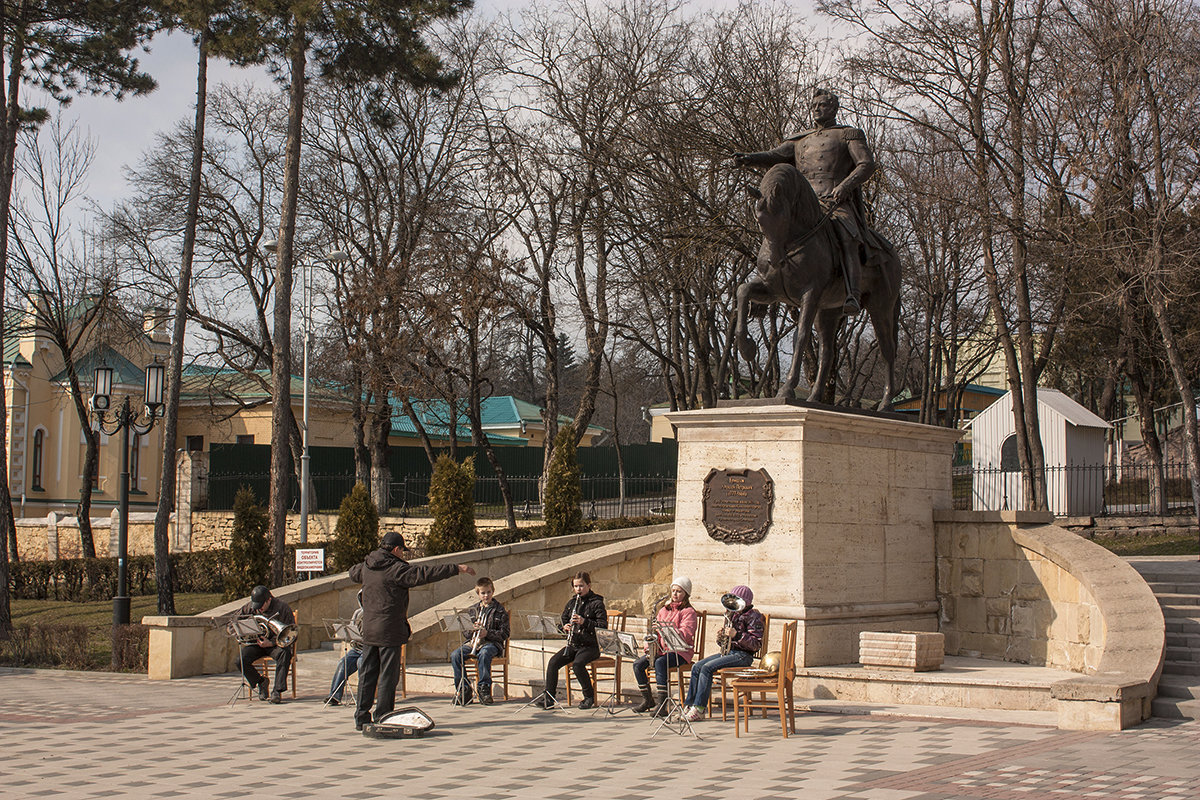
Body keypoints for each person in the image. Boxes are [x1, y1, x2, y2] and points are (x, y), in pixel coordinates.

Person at [734, 88, 877, 316]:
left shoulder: (848, 134)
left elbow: (866, 164)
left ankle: (853, 293)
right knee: (774, 230)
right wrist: (750, 158)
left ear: (834, 108)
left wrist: (845, 186)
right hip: (804, 205)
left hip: (835, 202)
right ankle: (768, 287)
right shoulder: (800, 139)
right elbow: (774, 156)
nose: (817, 109)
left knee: (848, 236)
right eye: (814, 106)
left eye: (822, 105)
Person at [349, 531, 476, 732]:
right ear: (397, 549)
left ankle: (361, 717)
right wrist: (456, 568)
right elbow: (425, 574)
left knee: (367, 673)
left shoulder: (367, 566)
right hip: (389, 630)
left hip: (369, 629)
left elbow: (352, 573)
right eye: (403, 551)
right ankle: (383, 715)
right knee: (387, 676)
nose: (403, 556)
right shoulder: (396, 569)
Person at [681, 584, 764, 722]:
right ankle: (689, 705)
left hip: (743, 655)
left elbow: (756, 644)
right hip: (729, 652)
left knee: (707, 668)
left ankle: (700, 708)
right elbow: (724, 642)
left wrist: (737, 635)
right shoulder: (731, 614)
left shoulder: (754, 617)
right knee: (697, 667)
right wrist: (722, 637)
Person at [535, 571, 607, 710]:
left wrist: (584, 621)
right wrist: (564, 627)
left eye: (581, 586)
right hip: (574, 644)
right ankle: (549, 698)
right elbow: (562, 621)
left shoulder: (597, 603)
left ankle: (588, 697)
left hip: (590, 645)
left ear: (589, 585)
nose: (578, 589)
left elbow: (603, 627)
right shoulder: (572, 603)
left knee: (578, 665)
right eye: (575, 586)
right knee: (553, 662)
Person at [632, 576, 697, 717]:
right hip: (662, 650)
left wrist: (664, 629)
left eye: (679, 591)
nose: (674, 594)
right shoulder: (663, 610)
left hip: (680, 651)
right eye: (673, 590)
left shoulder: (689, 612)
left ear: (686, 594)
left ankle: (662, 705)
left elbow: (686, 634)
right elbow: (655, 634)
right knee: (638, 664)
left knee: (660, 662)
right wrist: (650, 646)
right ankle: (648, 700)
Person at [450, 576, 511, 706]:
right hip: (474, 643)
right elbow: (465, 632)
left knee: (484, 653)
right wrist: (472, 630)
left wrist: (487, 633)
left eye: (488, 592)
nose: (486, 595)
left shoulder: (500, 610)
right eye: (483, 593)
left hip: (492, 644)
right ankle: (464, 690)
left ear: (493, 591)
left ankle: (484, 689)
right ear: (478, 594)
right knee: (455, 655)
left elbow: (505, 633)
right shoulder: (473, 610)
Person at [236, 585, 295, 704]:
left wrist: (271, 642)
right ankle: (261, 682)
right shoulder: (251, 607)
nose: (259, 609)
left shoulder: (282, 607)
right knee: (240, 660)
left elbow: (291, 633)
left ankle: (277, 691)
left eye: (261, 605)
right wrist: (238, 630)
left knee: (285, 654)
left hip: (275, 644)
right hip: (257, 644)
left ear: (269, 600)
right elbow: (234, 620)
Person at [325, 605, 363, 706]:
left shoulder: (375, 613)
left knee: (361, 663)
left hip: (370, 649)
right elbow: (351, 629)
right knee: (343, 662)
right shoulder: (358, 613)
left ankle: (363, 697)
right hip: (357, 648)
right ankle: (335, 696)